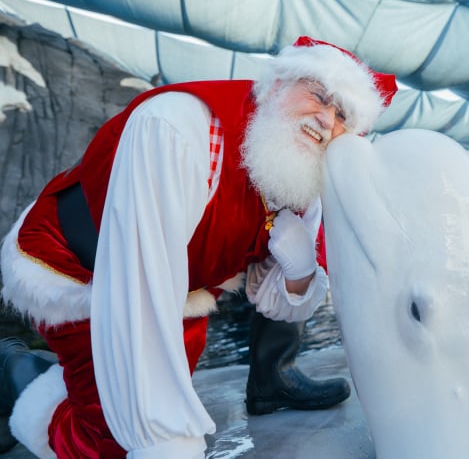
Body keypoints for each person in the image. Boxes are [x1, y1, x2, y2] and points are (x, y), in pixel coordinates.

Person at [0, 36, 397, 458]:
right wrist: (163, 439)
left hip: (184, 288)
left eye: (342, 116)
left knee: (151, 402)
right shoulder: (176, 128)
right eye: (319, 95)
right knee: (113, 440)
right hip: (79, 273)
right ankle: (14, 369)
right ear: (278, 85)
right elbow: (136, 286)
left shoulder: (303, 181)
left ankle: (74, 377)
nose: (325, 118)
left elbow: (278, 304)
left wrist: (299, 272)